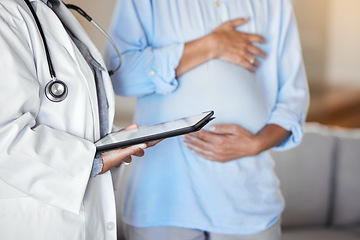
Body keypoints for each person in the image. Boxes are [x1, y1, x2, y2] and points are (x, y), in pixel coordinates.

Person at [105, 0, 310, 239]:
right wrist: (211, 45)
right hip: (163, 198)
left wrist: (258, 143)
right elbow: (120, 76)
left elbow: (293, 97)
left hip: (248, 197)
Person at [0, 0, 158, 239]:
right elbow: (5, 138)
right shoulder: (6, 14)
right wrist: (94, 160)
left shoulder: (51, 9)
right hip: (39, 219)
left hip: (78, 210)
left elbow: (71, 113)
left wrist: (112, 142)